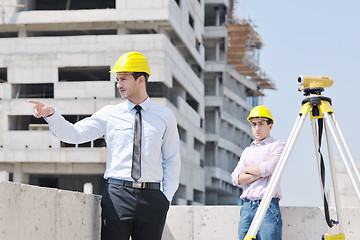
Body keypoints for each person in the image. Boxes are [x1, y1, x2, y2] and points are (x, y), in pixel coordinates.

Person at [29, 51, 181, 240]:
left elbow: (172, 159)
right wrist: (51, 115)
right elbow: (75, 134)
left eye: (124, 79)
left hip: (153, 198)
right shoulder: (109, 114)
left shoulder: (165, 116)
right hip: (118, 195)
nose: (119, 84)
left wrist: (165, 198)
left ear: (141, 80)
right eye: (117, 79)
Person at [231, 106, 285, 240]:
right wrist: (261, 170)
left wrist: (247, 169)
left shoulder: (278, 145)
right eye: (254, 124)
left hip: (268, 206)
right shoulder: (247, 151)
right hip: (247, 207)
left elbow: (271, 168)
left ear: (270, 125)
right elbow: (235, 178)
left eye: (261, 124)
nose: (257, 128)